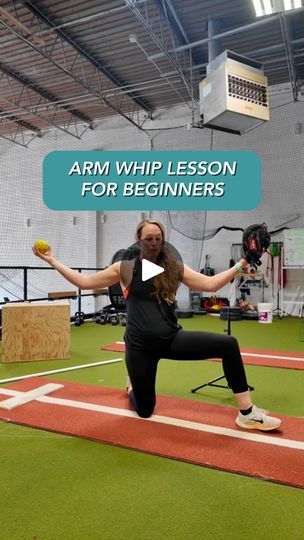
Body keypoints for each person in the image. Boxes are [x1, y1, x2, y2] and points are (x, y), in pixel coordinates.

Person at [33, 219, 281, 431]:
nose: (153, 242)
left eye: (158, 238)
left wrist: (240, 265)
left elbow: (210, 284)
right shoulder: (125, 269)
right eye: (148, 238)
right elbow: (84, 282)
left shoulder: (174, 268)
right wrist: (52, 260)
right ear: (138, 241)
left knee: (228, 344)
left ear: (163, 241)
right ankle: (132, 383)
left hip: (172, 340)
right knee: (144, 410)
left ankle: (246, 413)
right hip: (139, 347)